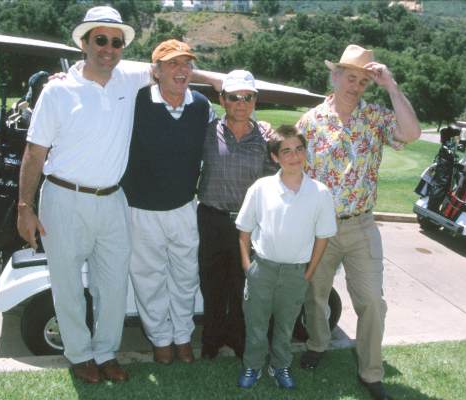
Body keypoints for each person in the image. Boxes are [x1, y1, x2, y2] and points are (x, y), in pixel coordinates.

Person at [17, 6, 152, 384]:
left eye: (116, 42)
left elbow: (171, 67)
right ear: (84, 43)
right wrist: (24, 207)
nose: (108, 48)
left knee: (113, 283)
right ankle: (79, 355)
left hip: (112, 199)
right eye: (100, 40)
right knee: (67, 283)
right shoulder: (58, 90)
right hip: (63, 198)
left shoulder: (127, 77)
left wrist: (218, 81)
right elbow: (34, 152)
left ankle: (106, 353)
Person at [296, 44, 421, 400]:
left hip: (361, 226)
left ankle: (370, 372)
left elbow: (411, 133)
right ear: (334, 76)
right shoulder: (311, 120)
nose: (355, 86)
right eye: (350, 77)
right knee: (315, 294)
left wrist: (392, 85)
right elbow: (296, 174)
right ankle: (318, 345)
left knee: (371, 301)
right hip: (320, 227)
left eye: (364, 81)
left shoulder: (377, 117)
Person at [121, 39, 217, 366]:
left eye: (187, 64)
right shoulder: (134, 102)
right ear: (156, 71)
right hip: (140, 209)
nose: (182, 70)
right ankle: (161, 340)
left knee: (186, 277)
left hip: (183, 207)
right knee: (148, 279)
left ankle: (183, 337)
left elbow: (223, 136)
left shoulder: (202, 105)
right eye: (173, 64)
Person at [235, 125, 336, 389]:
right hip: (263, 268)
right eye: (286, 151)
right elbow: (244, 230)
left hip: (296, 273)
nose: (294, 156)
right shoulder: (261, 188)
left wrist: (309, 272)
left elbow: (323, 237)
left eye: (299, 149)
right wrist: (248, 266)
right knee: (256, 324)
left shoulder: (320, 192)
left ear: (306, 153)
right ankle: (252, 366)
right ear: (275, 157)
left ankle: (280, 365)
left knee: (286, 325)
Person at [197, 70, 276, 360]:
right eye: (234, 97)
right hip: (212, 218)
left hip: (248, 225)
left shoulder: (266, 137)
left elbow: (273, 181)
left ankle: (238, 337)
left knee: (243, 286)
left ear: (255, 100)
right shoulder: (207, 130)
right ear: (222, 100)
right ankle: (211, 339)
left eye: (248, 97)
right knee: (212, 283)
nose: (241, 103)